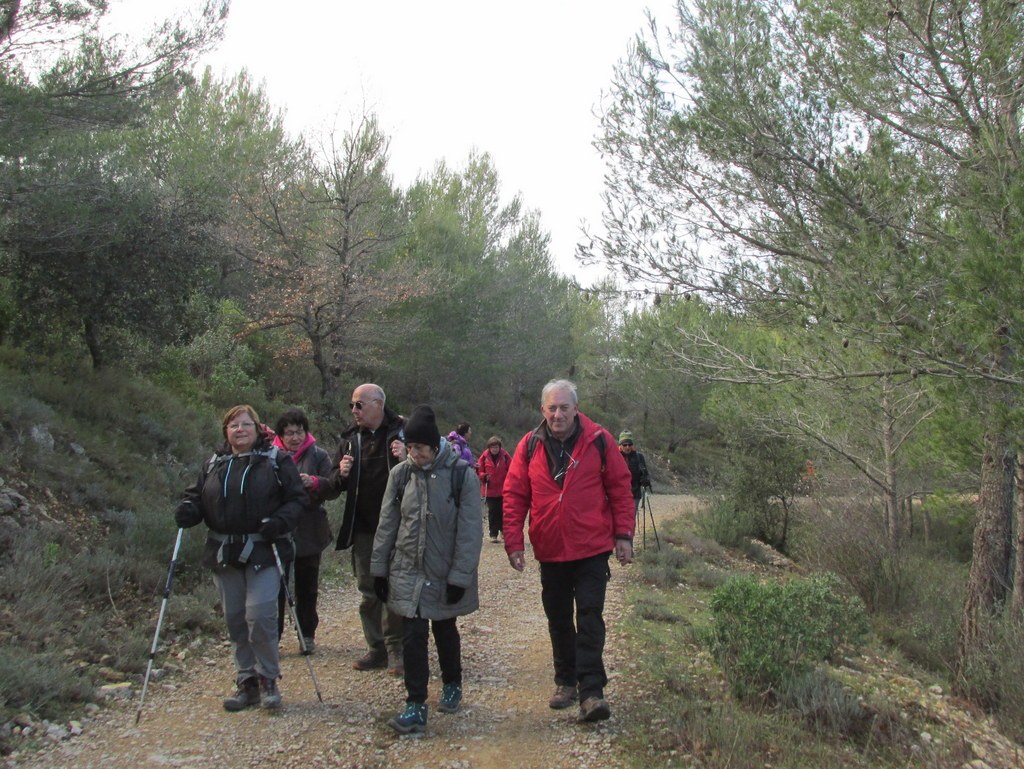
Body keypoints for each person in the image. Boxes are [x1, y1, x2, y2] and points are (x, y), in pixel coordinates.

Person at [503, 379, 634, 723]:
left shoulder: (600, 441)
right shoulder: (529, 445)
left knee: (589, 616)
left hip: (592, 547)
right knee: (559, 617)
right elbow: (515, 495)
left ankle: (592, 691)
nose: (558, 414)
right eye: (552, 408)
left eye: (564, 407)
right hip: (550, 548)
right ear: (542, 410)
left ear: (576, 408)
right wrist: (513, 542)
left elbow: (621, 489)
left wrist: (624, 535)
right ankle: (565, 681)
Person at [174, 404, 306, 711]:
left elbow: (297, 499)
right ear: (226, 431)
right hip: (224, 551)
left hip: (264, 548)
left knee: (260, 615)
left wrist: (279, 522)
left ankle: (268, 678)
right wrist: (189, 509)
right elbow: (195, 496)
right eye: (234, 426)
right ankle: (246, 681)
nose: (240, 430)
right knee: (234, 618)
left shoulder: (277, 460)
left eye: (246, 424)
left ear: (258, 429)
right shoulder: (214, 463)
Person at [371, 405, 482, 734]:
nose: (413, 453)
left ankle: (452, 683)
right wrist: (379, 570)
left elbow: (470, 531)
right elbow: (387, 525)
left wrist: (460, 577)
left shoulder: (462, 475)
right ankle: (415, 704)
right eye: (409, 447)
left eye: (419, 448)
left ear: (435, 447)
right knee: (413, 637)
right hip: (407, 569)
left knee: (445, 631)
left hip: (444, 570)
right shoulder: (400, 475)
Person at [329, 383, 407, 675]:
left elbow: (428, 467)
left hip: (399, 527)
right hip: (362, 526)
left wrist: (407, 458)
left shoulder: (404, 431)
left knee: (396, 589)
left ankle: (396, 648)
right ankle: (376, 648)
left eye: (359, 405)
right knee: (369, 590)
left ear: (378, 404)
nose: (354, 411)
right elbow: (332, 483)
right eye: (352, 405)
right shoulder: (350, 439)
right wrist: (341, 474)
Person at [272, 408, 337, 654]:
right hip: (279, 530)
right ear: (281, 435)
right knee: (276, 587)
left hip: (310, 528)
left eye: (299, 432)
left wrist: (315, 482)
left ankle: (306, 634)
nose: (295, 438)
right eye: (289, 433)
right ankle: (273, 637)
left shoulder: (318, 455)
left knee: (307, 586)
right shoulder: (271, 456)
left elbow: (332, 487)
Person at [476, 435, 512, 543]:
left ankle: (503, 532)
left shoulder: (505, 455)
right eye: (492, 447)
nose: (495, 449)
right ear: (489, 448)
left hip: (503, 489)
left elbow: (512, 468)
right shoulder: (484, 457)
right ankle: (493, 534)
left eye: (496, 447)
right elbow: (478, 471)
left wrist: (510, 481)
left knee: (503, 511)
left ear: (499, 447)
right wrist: (483, 476)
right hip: (490, 490)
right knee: (492, 512)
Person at [617, 430, 651, 514]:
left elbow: (646, 474)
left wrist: (645, 480)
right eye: (624, 445)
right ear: (620, 445)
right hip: (617, 495)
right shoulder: (614, 457)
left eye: (630, 444)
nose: (627, 447)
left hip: (634, 494)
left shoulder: (639, 457)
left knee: (630, 521)